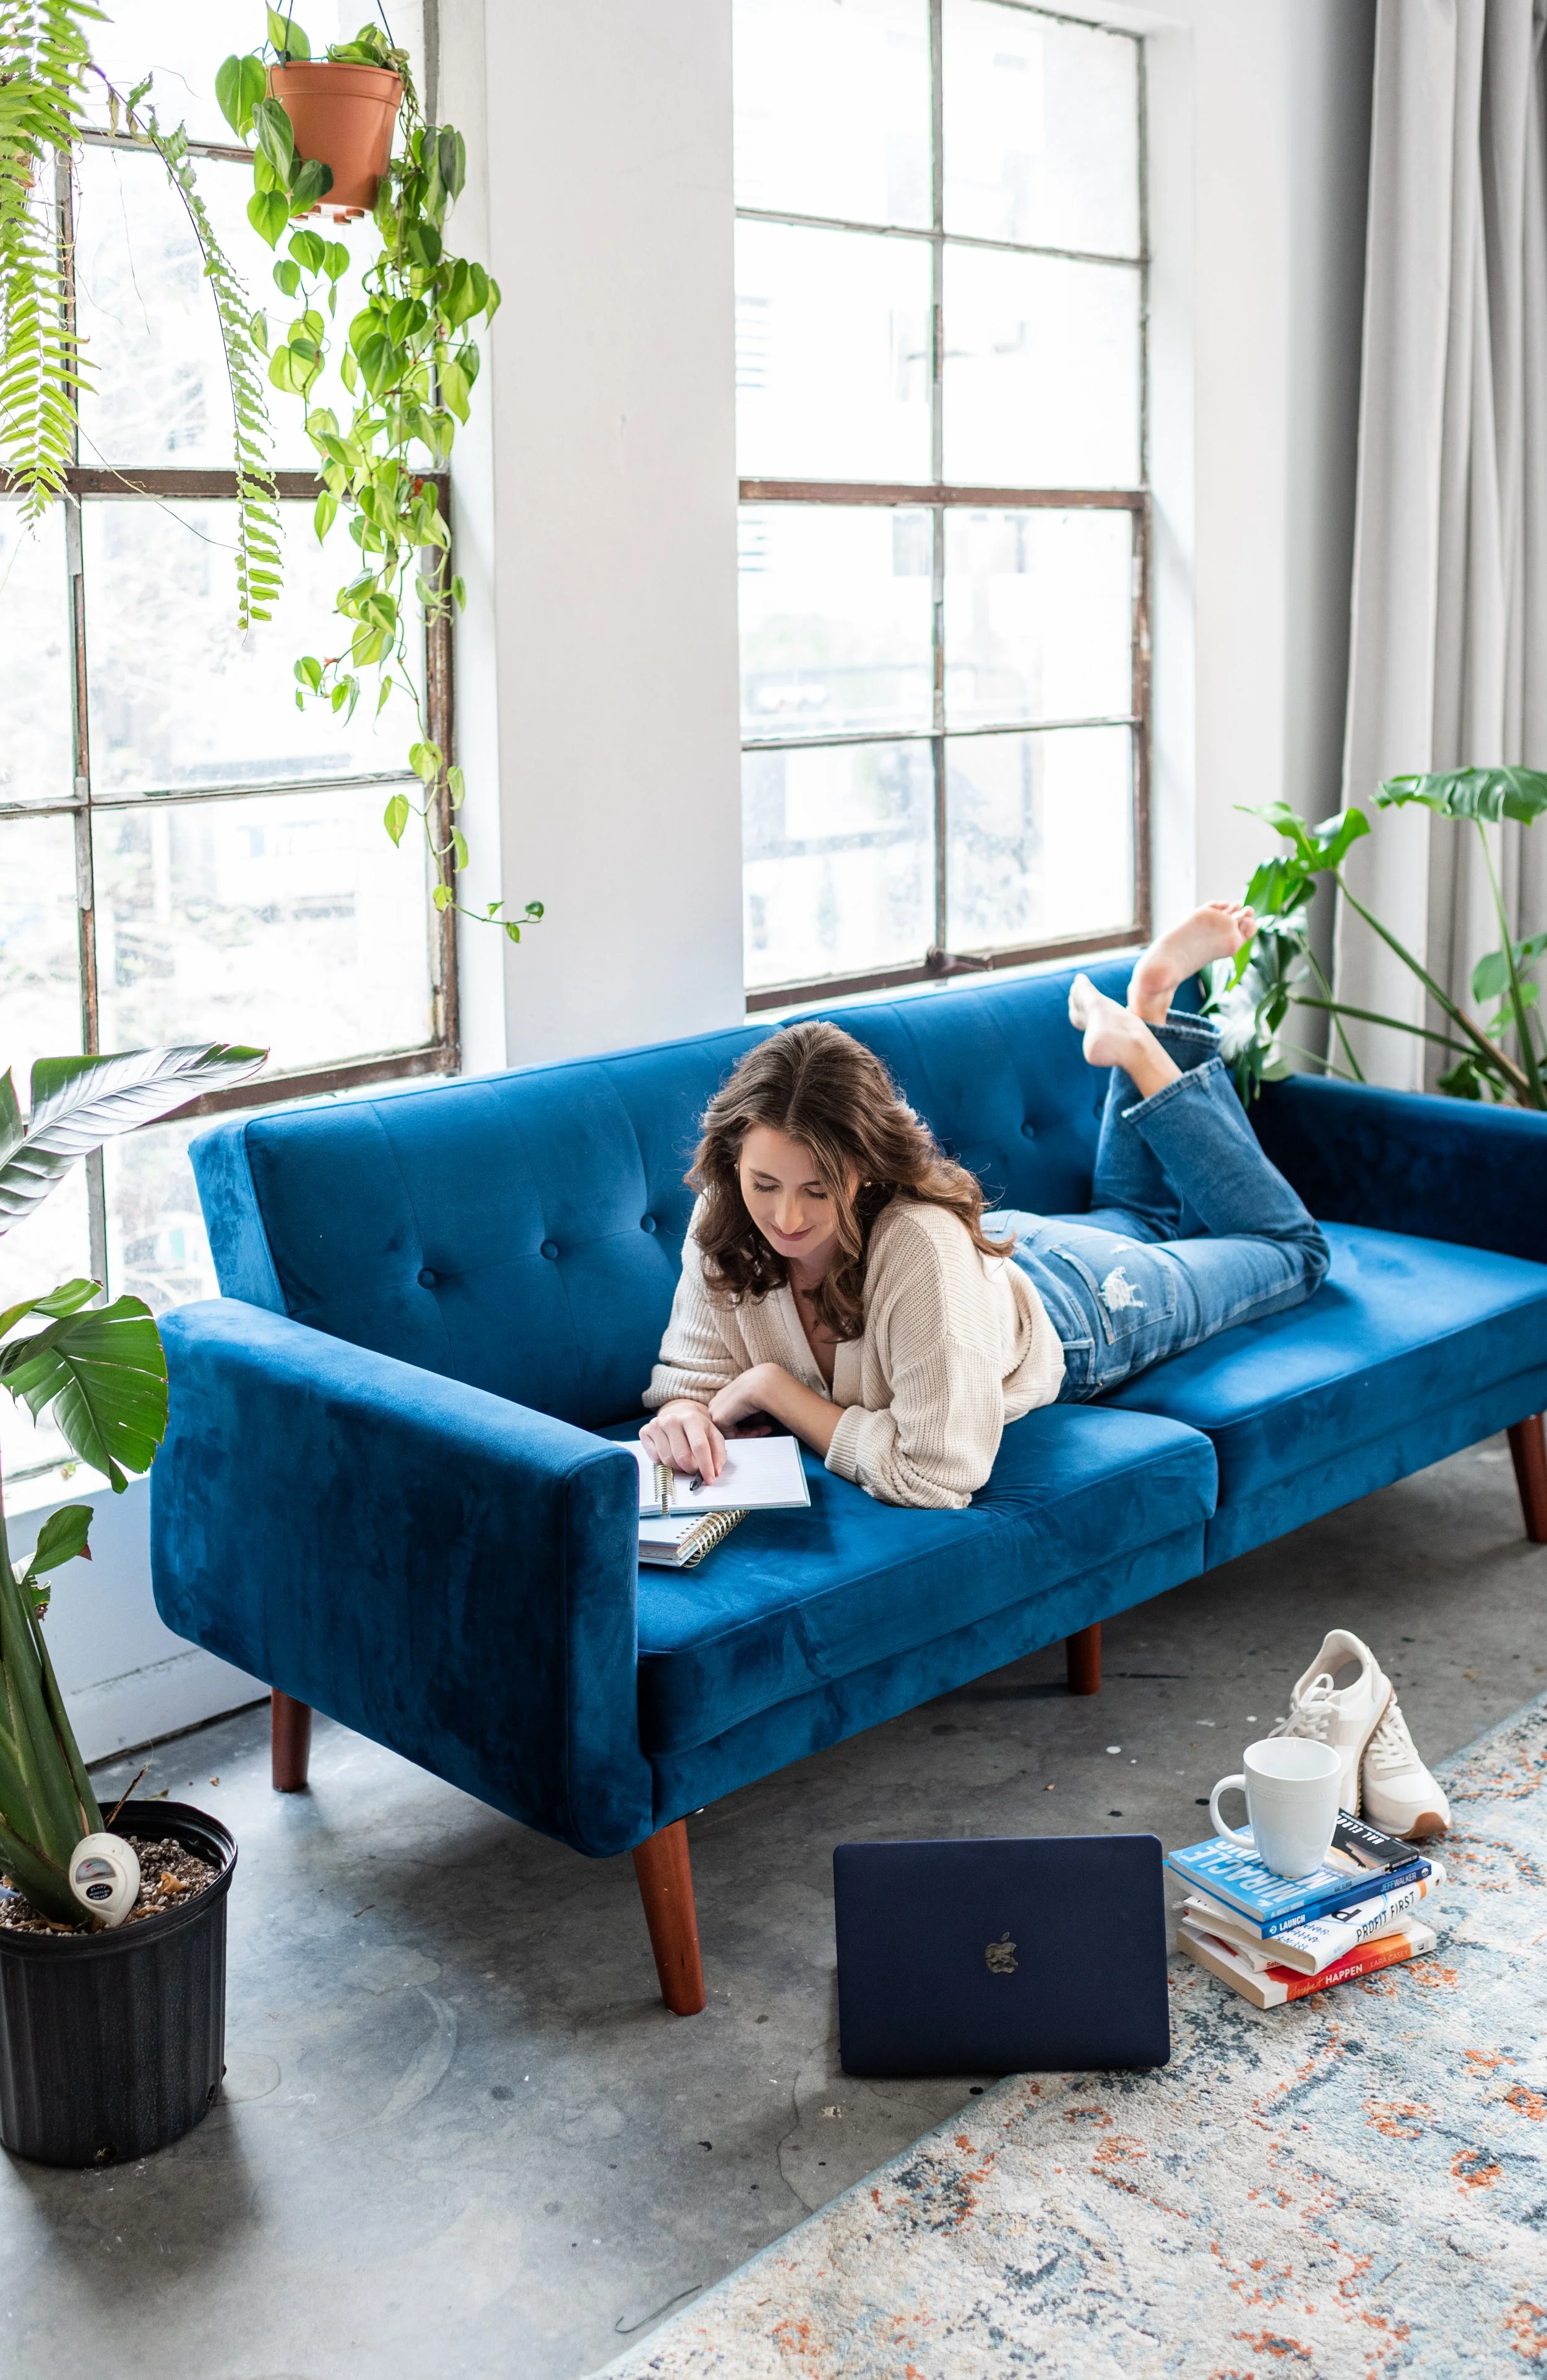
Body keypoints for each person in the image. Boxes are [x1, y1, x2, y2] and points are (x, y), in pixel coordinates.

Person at [640, 901, 1330, 1511]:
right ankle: (1146, 1001)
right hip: (982, 1268)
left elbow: (937, 1475)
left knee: (1292, 1253)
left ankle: (1144, 1048)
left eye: (817, 1190)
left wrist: (773, 1387)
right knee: (1139, 1220)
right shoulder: (723, 1216)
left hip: (1084, 1303)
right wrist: (683, 1415)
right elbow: (694, 1380)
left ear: (866, 1172)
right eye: (765, 1185)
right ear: (734, 1162)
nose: (786, 1219)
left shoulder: (917, 1241)